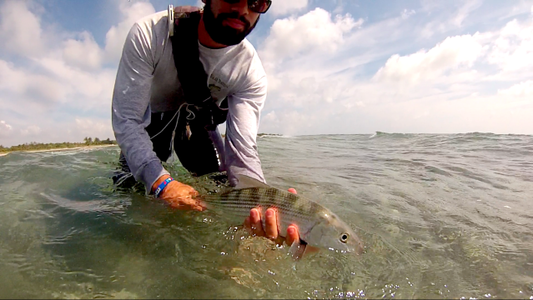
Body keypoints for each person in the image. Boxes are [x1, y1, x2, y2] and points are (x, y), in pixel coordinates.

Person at [111, 0, 300, 247]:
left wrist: (263, 207)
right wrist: (161, 183)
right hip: (151, 124)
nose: (243, 9)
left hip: (198, 125)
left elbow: (242, 155)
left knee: (216, 188)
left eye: (257, 1)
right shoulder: (149, 33)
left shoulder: (250, 71)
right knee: (130, 188)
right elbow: (128, 119)